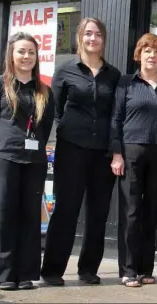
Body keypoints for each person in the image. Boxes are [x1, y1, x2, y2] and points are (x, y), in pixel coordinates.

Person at [40, 17, 121, 286]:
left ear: (103, 40)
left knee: (98, 213)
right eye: (88, 34)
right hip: (71, 150)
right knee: (66, 210)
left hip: (102, 154)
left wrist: (115, 150)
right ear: (79, 38)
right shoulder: (65, 71)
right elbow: (55, 110)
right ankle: (52, 270)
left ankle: (88, 269)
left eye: (97, 34)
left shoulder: (114, 74)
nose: (92, 39)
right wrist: (57, 138)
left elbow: (115, 116)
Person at [0, 32, 54, 290]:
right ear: (11, 54)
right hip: (5, 157)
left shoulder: (44, 91)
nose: (26, 56)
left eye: (31, 52)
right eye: (21, 51)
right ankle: (5, 274)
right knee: (4, 215)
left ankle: (25, 273)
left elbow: (45, 127)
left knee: (30, 215)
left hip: (34, 161)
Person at [110, 33, 157, 287]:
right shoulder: (127, 83)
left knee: (152, 211)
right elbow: (116, 119)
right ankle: (128, 269)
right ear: (139, 55)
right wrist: (116, 153)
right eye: (147, 50)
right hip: (131, 152)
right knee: (131, 211)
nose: (152, 55)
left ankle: (146, 268)